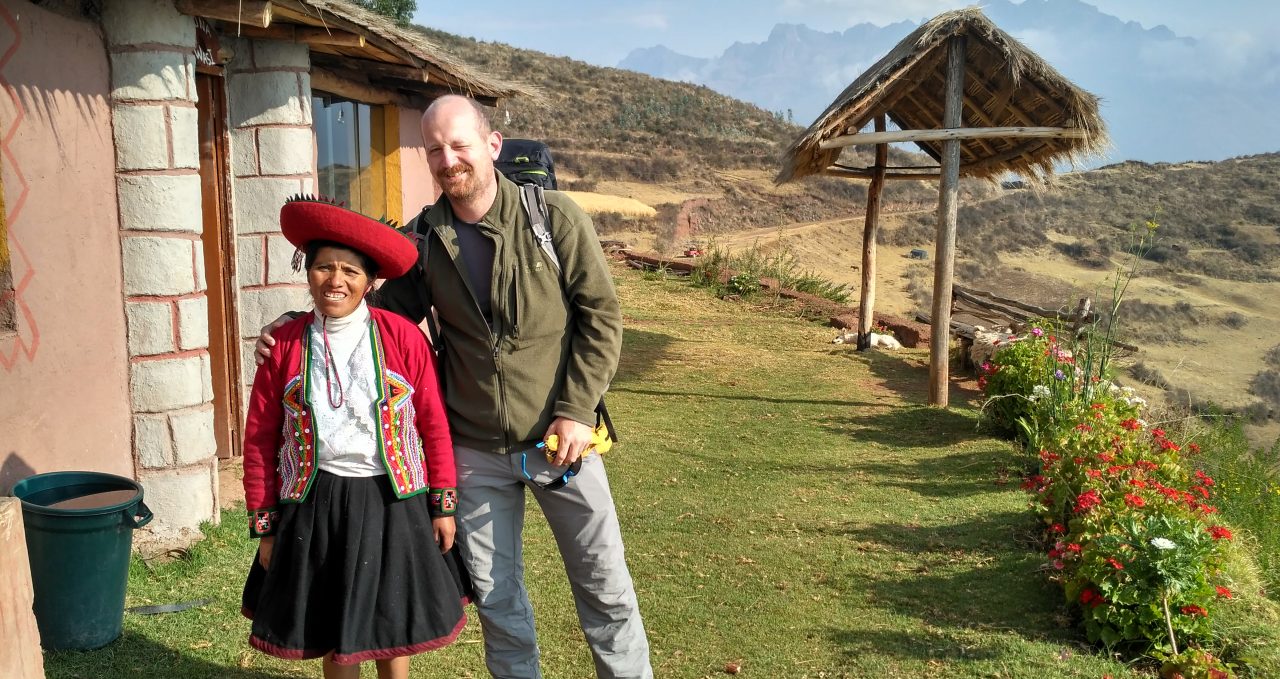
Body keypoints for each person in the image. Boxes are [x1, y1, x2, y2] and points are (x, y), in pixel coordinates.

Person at [258, 95, 652, 678]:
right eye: (436, 148)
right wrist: (294, 329)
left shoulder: (554, 219)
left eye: (460, 144)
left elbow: (601, 319)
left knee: (605, 586)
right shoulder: (424, 240)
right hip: (474, 451)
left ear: (491, 146)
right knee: (497, 598)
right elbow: (374, 315)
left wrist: (574, 411)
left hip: (562, 442)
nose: (448, 159)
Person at [241, 196, 470, 679]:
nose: (336, 281)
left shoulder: (403, 338)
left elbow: (432, 423)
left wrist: (442, 503)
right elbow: (260, 438)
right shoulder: (284, 345)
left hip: (393, 499)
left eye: (350, 271)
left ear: (370, 282)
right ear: (307, 272)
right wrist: (266, 524)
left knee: (393, 619)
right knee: (333, 621)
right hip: (316, 500)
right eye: (324, 267)